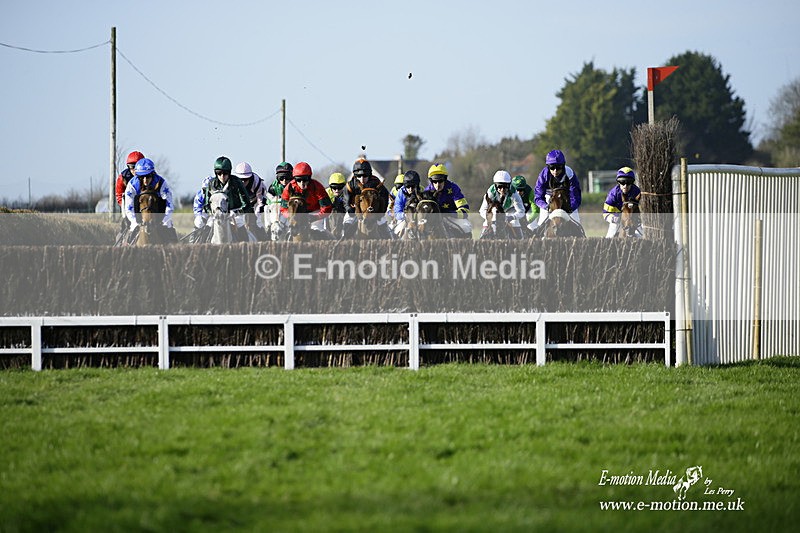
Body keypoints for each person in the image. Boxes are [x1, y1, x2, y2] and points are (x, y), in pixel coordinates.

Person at [192, 156, 250, 241]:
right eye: (219, 173)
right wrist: (213, 212)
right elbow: (207, 205)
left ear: (229, 173)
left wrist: (237, 212)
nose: (222, 176)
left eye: (225, 173)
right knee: (208, 226)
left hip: (234, 213)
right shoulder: (212, 184)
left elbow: (247, 204)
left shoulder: (237, 182)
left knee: (239, 223)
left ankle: (246, 250)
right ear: (216, 173)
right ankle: (199, 248)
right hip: (217, 214)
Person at [123, 157, 177, 241]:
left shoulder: (161, 183)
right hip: (137, 213)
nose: (145, 180)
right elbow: (129, 208)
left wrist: (164, 220)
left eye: (147, 177)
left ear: (153, 174)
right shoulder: (132, 185)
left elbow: (169, 204)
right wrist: (135, 222)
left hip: (159, 213)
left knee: (168, 226)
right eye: (141, 177)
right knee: (132, 228)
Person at [279, 161, 333, 236]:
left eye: (305, 179)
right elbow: (283, 208)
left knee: (316, 230)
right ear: (295, 179)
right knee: (289, 234)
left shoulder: (317, 187)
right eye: (298, 180)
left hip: (315, 212)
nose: (302, 183)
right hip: (296, 214)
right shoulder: (289, 188)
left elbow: (327, 207)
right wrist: (291, 216)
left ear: (309, 178)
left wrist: (316, 217)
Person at [343, 158, 391, 238]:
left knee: (382, 222)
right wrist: (350, 209)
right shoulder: (350, 185)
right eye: (359, 176)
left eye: (365, 176)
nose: (362, 179)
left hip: (374, 211)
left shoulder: (376, 183)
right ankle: (345, 242)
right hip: (355, 210)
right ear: (355, 175)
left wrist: (381, 211)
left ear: (369, 174)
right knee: (347, 223)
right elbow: (346, 201)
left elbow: (385, 196)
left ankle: (390, 242)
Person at [422, 163, 472, 237]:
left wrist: (449, 213)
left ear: (445, 179)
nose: (437, 184)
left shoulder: (454, 188)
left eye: (440, 181)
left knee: (466, 226)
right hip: (433, 220)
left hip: (452, 217)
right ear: (431, 181)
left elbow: (465, 211)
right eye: (434, 182)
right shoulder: (427, 191)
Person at [534, 149, 582, 225]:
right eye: (552, 167)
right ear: (548, 167)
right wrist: (547, 207)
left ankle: (581, 236)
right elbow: (538, 197)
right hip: (549, 199)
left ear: (563, 166)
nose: (555, 171)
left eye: (558, 167)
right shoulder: (544, 175)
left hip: (567, 199)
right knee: (541, 222)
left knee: (576, 223)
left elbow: (575, 197)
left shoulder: (570, 174)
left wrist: (570, 208)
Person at [479, 170, 525, 238]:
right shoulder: (490, 193)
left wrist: (512, 217)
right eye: (499, 186)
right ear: (495, 186)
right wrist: (489, 218)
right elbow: (482, 210)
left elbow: (521, 211)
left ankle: (521, 242)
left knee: (515, 223)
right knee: (486, 222)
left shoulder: (514, 193)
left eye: (505, 186)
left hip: (510, 211)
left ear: (509, 185)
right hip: (495, 212)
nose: (502, 189)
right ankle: (481, 240)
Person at [603, 167, 643, 237]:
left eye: (629, 182)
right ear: (618, 182)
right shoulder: (612, 195)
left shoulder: (637, 192)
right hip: (617, 220)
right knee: (610, 236)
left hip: (634, 220)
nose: (625, 186)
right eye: (622, 182)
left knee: (643, 235)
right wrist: (613, 218)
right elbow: (605, 214)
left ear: (632, 183)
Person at [233, 161, 268, 240]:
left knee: (258, 222)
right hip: (242, 203)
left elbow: (260, 201)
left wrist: (256, 215)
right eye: (240, 179)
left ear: (250, 177)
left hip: (256, 201)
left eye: (245, 179)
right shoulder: (233, 183)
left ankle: (264, 240)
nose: (242, 182)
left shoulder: (257, 182)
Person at [391, 170, 424, 237]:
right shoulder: (401, 192)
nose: (410, 189)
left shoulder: (422, 191)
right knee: (398, 231)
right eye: (408, 186)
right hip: (405, 219)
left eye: (413, 186)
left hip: (420, 218)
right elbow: (397, 211)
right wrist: (405, 215)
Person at [265, 162, 293, 240]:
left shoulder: (295, 186)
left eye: (287, 178)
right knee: (265, 208)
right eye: (281, 178)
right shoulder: (272, 188)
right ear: (278, 178)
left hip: (291, 208)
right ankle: (267, 228)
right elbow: (269, 203)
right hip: (277, 210)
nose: (284, 181)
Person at [325, 172, 348, 237]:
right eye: (334, 187)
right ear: (330, 187)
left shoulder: (347, 193)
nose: (337, 190)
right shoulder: (326, 193)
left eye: (340, 187)